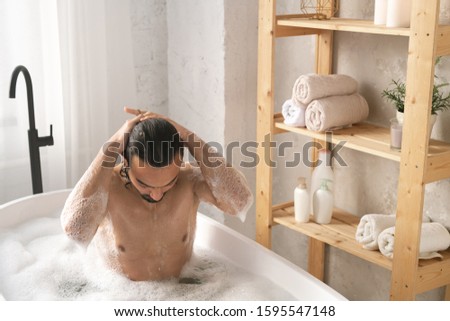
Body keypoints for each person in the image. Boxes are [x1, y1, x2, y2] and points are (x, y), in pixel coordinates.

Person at [60, 107, 253, 281]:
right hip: (121, 298)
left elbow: (239, 201)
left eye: (170, 183)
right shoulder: (108, 186)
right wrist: (112, 145)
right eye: (144, 185)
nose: (157, 195)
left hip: (183, 290)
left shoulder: (188, 180)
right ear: (125, 161)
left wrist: (187, 136)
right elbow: (76, 231)